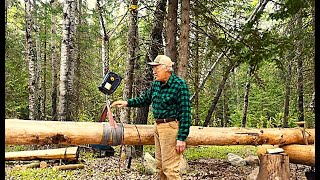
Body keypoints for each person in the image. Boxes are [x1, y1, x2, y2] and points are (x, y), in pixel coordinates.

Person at [111, 55, 191, 180]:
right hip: (157, 127)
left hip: (171, 128)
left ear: (166, 68)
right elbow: (144, 99)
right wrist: (127, 103)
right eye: (153, 68)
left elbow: (185, 113)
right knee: (160, 166)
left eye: (156, 68)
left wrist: (181, 138)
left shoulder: (179, 85)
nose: (154, 72)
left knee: (170, 169)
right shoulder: (156, 85)